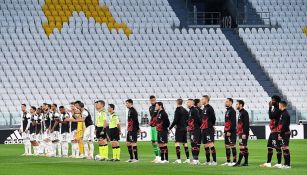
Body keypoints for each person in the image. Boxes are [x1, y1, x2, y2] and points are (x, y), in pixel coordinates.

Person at [260, 95, 282, 168]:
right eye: (272, 99)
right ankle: (268, 163)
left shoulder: (278, 109)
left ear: (277, 101)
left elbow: (271, 116)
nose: (272, 101)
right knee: (269, 146)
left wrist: (269, 107)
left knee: (277, 147)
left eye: (273, 100)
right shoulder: (275, 108)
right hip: (273, 130)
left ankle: (279, 163)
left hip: (276, 130)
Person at [169, 98, 190, 164]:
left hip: (179, 129)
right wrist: (185, 125)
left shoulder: (177, 110)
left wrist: (170, 128)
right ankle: (188, 159)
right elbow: (188, 119)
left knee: (177, 143)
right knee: (185, 143)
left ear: (177, 102)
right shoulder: (185, 110)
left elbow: (175, 120)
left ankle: (178, 159)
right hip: (184, 128)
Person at [200, 95, 217, 166]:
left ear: (206, 100)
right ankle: (207, 161)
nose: (201, 100)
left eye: (202, 99)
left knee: (210, 144)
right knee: (205, 145)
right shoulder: (204, 108)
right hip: (204, 129)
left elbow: (213, 118)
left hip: (208, 129)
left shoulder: (210, 108)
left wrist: (210, 125)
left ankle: (214, 161)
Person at [233, 100, 249, 167]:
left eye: (237, 104)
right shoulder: (240, 112)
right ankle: (246, 162)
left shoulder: (244, 113)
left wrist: (244, 133)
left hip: (243, 133)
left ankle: (238, 162)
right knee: (244, 147)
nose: (236, 105)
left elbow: (246, 124)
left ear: (241, 105)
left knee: (241, 147)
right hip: (241, 132)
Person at [221, 98, 237, 166]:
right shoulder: (227, 111)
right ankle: (228, 161)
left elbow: (233, 122)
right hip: (227, 131)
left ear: (231, 103)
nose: (225, 103)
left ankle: (234, 161)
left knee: (232, 145)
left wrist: (229, 131)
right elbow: (226, 123)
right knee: (227, 146)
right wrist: (225, 131)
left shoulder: (232, 111)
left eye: (227, 102)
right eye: (225, 102)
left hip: (231, 132)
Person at [187, 99, 201, 165]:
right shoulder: (190, 110)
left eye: (188, 102)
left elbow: (198, 119)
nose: (187, 104)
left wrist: (196, 127)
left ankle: (195, 160)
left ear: (191, 103)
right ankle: (196, 159)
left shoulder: (194, 110)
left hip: (195, 130)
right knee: (193, 144)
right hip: (192, 130)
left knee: (194, 144)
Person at [278, 101, 291, 169]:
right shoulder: (282, 113)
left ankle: (288, 164)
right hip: (284, 133)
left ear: (282, 105)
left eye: (279, 105)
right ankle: (285, 163)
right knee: (283, 148)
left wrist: (281, 133)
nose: (278, 106)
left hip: (285, 133)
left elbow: (284, 125)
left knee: (285, 148)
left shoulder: (285, 114)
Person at [148, 95, 160, 163]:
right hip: (152, 126)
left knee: (157, 141)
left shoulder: (158, 106)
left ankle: (160, 157)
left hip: (157, 126)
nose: (152, 101)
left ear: (155, 99)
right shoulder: (150, 108)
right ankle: (157, 157)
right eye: (151, 100)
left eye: (153, 100)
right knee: (153, 142)